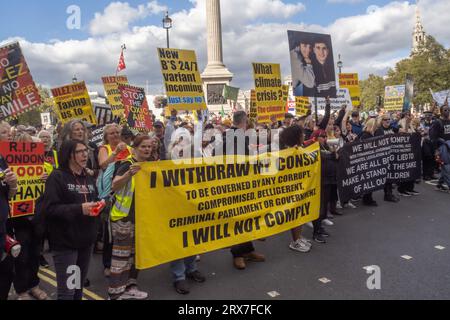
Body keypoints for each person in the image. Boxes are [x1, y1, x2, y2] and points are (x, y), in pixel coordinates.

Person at [39, 139, 99, 300]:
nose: (85, 154)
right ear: (68, 155)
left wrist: (100, 204)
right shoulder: (57, 177)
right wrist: (79, 209)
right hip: (66, 243)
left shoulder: (88, 177)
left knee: (78, 289)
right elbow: (49, 209)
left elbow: (94, 199)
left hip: (86, 241)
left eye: (85, 150)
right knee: (68, 292)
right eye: (79, 151)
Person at [216, 111, 265, 270]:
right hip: (233, 183)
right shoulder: (230, 136)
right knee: (237, 219)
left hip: (244, 182)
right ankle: (237, 254)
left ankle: (248, 250)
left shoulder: (234, 135)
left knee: (245, 216)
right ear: (244, 122)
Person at [108, 135, 154, 300]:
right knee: (121, 257)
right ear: (135, 148)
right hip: (123, 218)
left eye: (149, 147)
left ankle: (130, 287)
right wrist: (129, 174)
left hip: (140, 219)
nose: (147, 149)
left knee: (136, 256)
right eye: (143, 147)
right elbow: (115, 184)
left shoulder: (149, 165)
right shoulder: (127, 163)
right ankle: (115, 293)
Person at [280, 125, 312, 252]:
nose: (304, 136)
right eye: (302, 134)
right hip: (293, 188)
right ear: (296, 137)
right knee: (296, 215)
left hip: (300, 186)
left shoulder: (298, 149)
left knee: (300, 213)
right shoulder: (291, 151)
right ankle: (295, 241)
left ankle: (298, 237)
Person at [0, 121, 18, 300]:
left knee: (6, 273)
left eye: (9, 131)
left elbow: (10, 195)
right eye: (4, 132)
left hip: (3, 226)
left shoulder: (2, 160)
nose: (9, 135)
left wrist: (13, 184)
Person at [375, 114, 400, 203]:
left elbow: (402, 131)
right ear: (382, 121)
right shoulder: (379, 130)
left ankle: (390, 193)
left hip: (392, 155)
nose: (388, 121)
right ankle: (387, 195)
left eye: (389, 119)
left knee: (391, 175)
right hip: (384, 156)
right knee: (387, 176)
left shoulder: (392, 128)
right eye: (385, 119)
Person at [430, 105, 450, 191]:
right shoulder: (437, 122)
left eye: (449, 110)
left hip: (449, 146)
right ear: (441, 111)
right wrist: (436, 150)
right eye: (445, 110)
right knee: (446, 167)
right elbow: (433, 137)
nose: (447, 111)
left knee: (446, 167)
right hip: (442, 147)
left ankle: (439, 184)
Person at [360, 119, 378, 206]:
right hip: (366, 161)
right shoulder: (365, 135)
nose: (376, 127)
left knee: (370, 181)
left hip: (370, 160)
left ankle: (369, 198)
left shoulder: (369, 134)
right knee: (368, 181)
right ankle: (367, 199)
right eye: (375, 126)